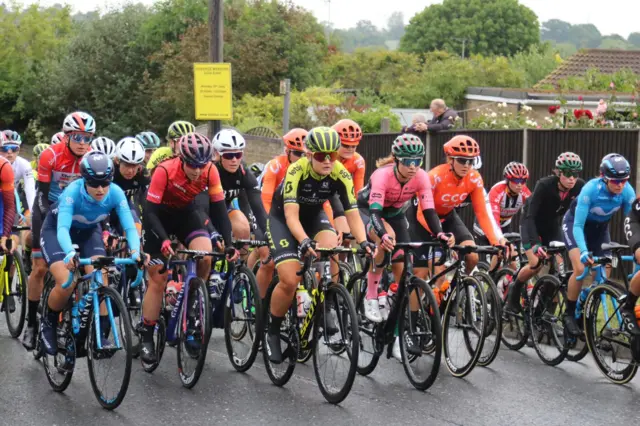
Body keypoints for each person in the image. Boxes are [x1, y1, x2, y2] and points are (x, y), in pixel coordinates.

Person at [265, 127, 374, 364]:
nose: (327, 161)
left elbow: (352, 213)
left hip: (313, 216)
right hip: (283, 220)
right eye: (320, 156)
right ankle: (272, 331)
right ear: (309, 154)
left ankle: (326, 304)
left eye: (332, 155)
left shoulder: (340, 173)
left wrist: (364, 241)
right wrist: (303, 240)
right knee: (290, 279)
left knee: (331, 249)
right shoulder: (296, 171)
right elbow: (291, 216)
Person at [140, 132, 235, 364]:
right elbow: (150, 212)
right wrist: (163, 239)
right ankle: (146, 334)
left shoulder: (210, 171)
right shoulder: (164, 170)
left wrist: (229, 243)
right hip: (158, 218)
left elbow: (220, 209)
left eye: (202, 165)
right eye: (192, 164)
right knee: (158, 278)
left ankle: (191, 305)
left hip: (186, 215)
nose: (197, 170)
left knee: (205, 257)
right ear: (181, 158)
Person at [38, 152, 144, 355]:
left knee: (101, 275)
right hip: (58, 231)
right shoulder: (72, 192)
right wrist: (69, 253)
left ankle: (101, 332)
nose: (100, 189)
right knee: (66, 282)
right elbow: (62, 229)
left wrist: (135, 252)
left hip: (88, 232)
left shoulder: (115, 192)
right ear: (84, 180)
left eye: (105, 183)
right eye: (94, 184)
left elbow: (129, 227)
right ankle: (48, 322)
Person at [358, 134, 453, 356]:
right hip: (369, 212)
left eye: (417, 161)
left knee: (405, 272)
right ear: (397, 160)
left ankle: (400, 334)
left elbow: (429, 210)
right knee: (387, 239)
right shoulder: (382, 175)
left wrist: (439, 233)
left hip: (397, 215)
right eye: (408, 162)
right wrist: (381, 235)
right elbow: (374, 212)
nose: (413, 167)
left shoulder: (420, 177)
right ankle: (371, 294)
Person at [22, 111, 95, 350]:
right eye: (78, 138)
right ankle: (32, 323)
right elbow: (41, 197)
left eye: (87, 138)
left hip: (76, 213)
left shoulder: (92, 159)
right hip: (48, 209)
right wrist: (48, 225)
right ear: (66, 137)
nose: (83, 143)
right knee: (40, 267)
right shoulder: (50, 156)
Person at [412, 135, 509, 284]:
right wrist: (440, 235)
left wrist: (495, 242)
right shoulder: (435, 176)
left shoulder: (474, 178)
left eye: (471, 161)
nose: (467, 165)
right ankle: (429, 303)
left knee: (472, 256)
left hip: (448, 217)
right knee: (436, 271)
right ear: (450, 159)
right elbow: (422, 213)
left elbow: (482, 213)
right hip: (424, 219)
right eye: (462, 160)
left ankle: (458, 289)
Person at [562, 154, 634, 336]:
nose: (620, 185)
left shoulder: (627, 192)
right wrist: (584, 251)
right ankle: (569, 313)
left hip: (600, 229)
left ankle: (586, 303)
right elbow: (577, 225)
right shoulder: (590, 190)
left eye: (624, 180)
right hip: (575, 225)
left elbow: (633, 221)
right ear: (604, 177)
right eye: (615, 181)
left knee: (603, 272)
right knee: (579, 268)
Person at [505, 152, 585, 315]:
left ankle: (543, 313)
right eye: (568, 174)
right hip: (531, 223)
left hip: (551, 225)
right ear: (559, 173)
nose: (572, 179)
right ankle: (515, 289)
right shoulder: (545, 185)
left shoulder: (579, 187)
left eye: (575, 174)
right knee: (536, 264)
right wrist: (535, 244)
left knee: (559, 267)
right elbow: (530, 216)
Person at [212, 129, 271, 298]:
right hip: (205, 212)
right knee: (210, 245)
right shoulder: (210, 170)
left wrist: (266, 233)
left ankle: (238, 270)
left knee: (244, 228)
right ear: (218, 155)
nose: (234, 160)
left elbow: (257, 208)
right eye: (229, 156)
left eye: (238, 155)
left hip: (227, 209)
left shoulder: (244, 172)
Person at [474, 162, 531, 269]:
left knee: (512, 257)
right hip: (487, 224)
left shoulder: (524, 192)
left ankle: (505, 281)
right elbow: (493, 219)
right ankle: (490, 280)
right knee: (498, 253)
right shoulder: (498, 190)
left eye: (523, 181)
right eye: (516, 180)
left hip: (504, 224)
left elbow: (532, 214)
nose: (520, 184)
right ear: (508, 180)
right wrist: (500, 239)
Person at [330, 119, 366, 241]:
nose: (350, 149)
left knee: (348, 235)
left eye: (354, 146)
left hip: (342, 195)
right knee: (334, 233)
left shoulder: (358, 161)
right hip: (323, 195)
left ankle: (344, 258)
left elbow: (357, 193)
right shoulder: (326, 158)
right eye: (345, 145)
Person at [261, 128, 307, 214]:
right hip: (271, 203)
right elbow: (266, 200)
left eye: (305, 154)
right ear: (287, 151)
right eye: (297, 153)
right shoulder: (276, 166)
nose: (302, 158)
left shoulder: (313, 167)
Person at [0, 144, 16, 313]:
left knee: (8, 243)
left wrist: (5, 235)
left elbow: (10, 206)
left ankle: (7, 290)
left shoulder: (4, 166)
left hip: (2, 205)